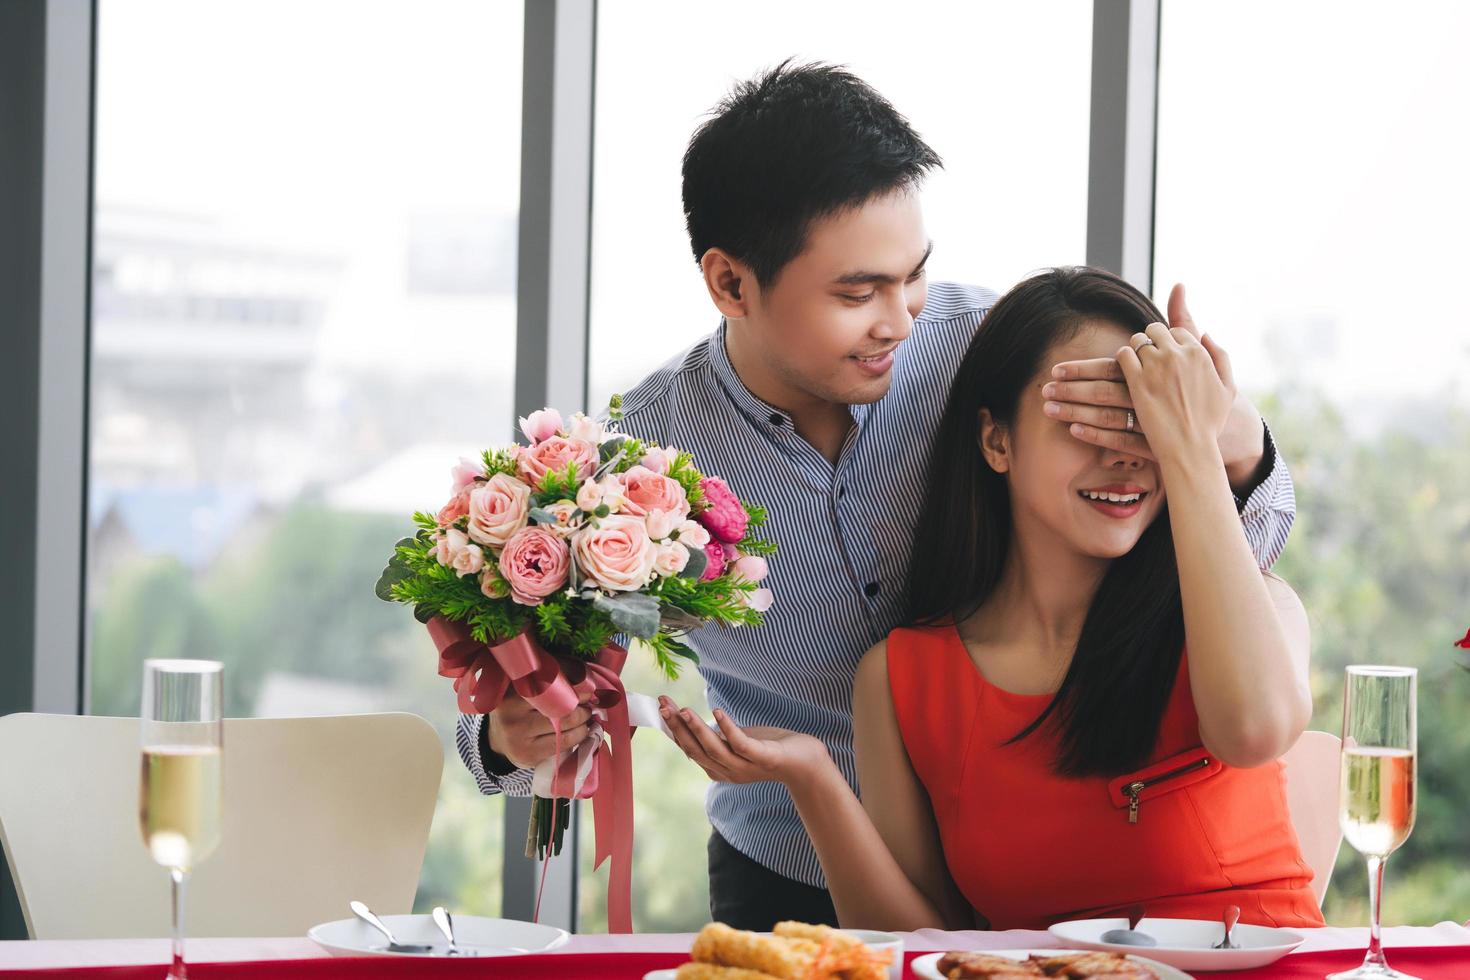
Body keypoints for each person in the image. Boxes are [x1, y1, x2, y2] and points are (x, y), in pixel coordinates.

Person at [457, 62, 1298, 930]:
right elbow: (518, 688)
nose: (899, 319)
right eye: (858, 293)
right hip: (791, 869)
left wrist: (1232, 439)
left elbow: (1233, 551)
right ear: (730, 283)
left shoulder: (996, 356)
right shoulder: (638, 464)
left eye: (913, 277)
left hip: (1043, 852)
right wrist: (506, 736)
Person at [661, 266, 1326, 931]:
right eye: (1089, 420)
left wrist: (1192, 444)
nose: (1127, 455)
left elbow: (1252, 731)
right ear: (996, 440)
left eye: (1142, 420)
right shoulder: (901, 679)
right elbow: (914, 944)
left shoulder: (1248, 611)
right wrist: (812, 777)